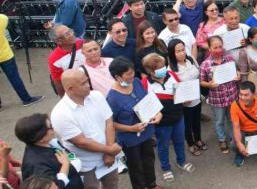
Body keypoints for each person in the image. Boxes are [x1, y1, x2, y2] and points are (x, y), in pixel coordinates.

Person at [50, 69, 121, 189]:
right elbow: (81, 142)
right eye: (83, 84)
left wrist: (110, 152)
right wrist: (110, 150)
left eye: (87, 81)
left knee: (113, 185)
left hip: (110, 157)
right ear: (70, 88)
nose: (88, 85)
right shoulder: (60, 114)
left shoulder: (97, 96)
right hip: (86, 165)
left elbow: (109, 122)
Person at [106, 57, 164, 189]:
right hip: (130, 139)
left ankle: (152, 184)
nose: (132, 76)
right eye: (128, 74)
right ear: (117, 77)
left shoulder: (136, 82)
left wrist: (157, 113)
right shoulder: (112, 98)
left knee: (149, 160)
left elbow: (147, 101)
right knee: (135, 166)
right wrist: (131, 128)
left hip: (146, 132)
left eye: (133, 72)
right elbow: (111, 124)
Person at [140, 53, 195, 182]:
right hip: (161, 123)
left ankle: (181, 161)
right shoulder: (144, 84)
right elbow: (144, 105)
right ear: (149, 71)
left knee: (180, 141)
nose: (163, 69)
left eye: (163, 66)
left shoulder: (173, 75)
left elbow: (180, 91)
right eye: (159, 68)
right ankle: (166, 168)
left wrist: (185, 99)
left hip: (178, 117)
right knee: (163, 146)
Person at [15, 113, 83, 189]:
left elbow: (66, 154)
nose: (53, 128)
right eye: (50, 127)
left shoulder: (48, 142)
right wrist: (65, 164)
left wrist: (72, 162)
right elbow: (55, 186)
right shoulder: (37, 166)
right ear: (40, 138)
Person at [199, 36, 238, 154]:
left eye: (220, 46)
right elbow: (201, 81)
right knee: (219, 120)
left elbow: (235, 73)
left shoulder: (229, 59)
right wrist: (209, 85)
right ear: (209, 49)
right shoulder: (205, 64)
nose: (218, 49)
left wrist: (238, 76)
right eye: (215, 47)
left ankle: (233, 137)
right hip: (217, 98)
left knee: (231, 119)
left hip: (231, 95)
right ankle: (222, 140)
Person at [167, 39, 206, 156]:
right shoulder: (171, 69)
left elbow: (198, 74)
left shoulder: (191, 59)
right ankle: (190, 143)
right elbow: (171, 88)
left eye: (182, 50)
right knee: (187, 124)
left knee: (196, 120)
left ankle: (198, 139)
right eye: (177, 51)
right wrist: (182, 99)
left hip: (196, 97)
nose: (181, 53)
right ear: (172, 53)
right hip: (184, 102)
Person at [0, 14, 43, 108]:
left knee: (14, 78)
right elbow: (5, 17)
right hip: (5, 55)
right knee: (14, 78)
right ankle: (26, 99)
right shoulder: (2, 19)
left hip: (5, 55)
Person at [230, 81, 257, 167]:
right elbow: (236, 127)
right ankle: (240, 153)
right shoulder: (234, 106)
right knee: (233, 145)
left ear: (254, 94)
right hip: (243, 131)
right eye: (241, 94)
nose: (242, 97)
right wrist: (239, 143)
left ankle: (256, 149)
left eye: (246, 95)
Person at [48, 25, 85, 97]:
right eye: (67, 34)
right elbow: (58, 82)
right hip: (76, 89)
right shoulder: (54, 58)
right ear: (59, 41)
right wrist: (65, 99)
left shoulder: (83, 44)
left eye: (70, 31)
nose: (72, 34)